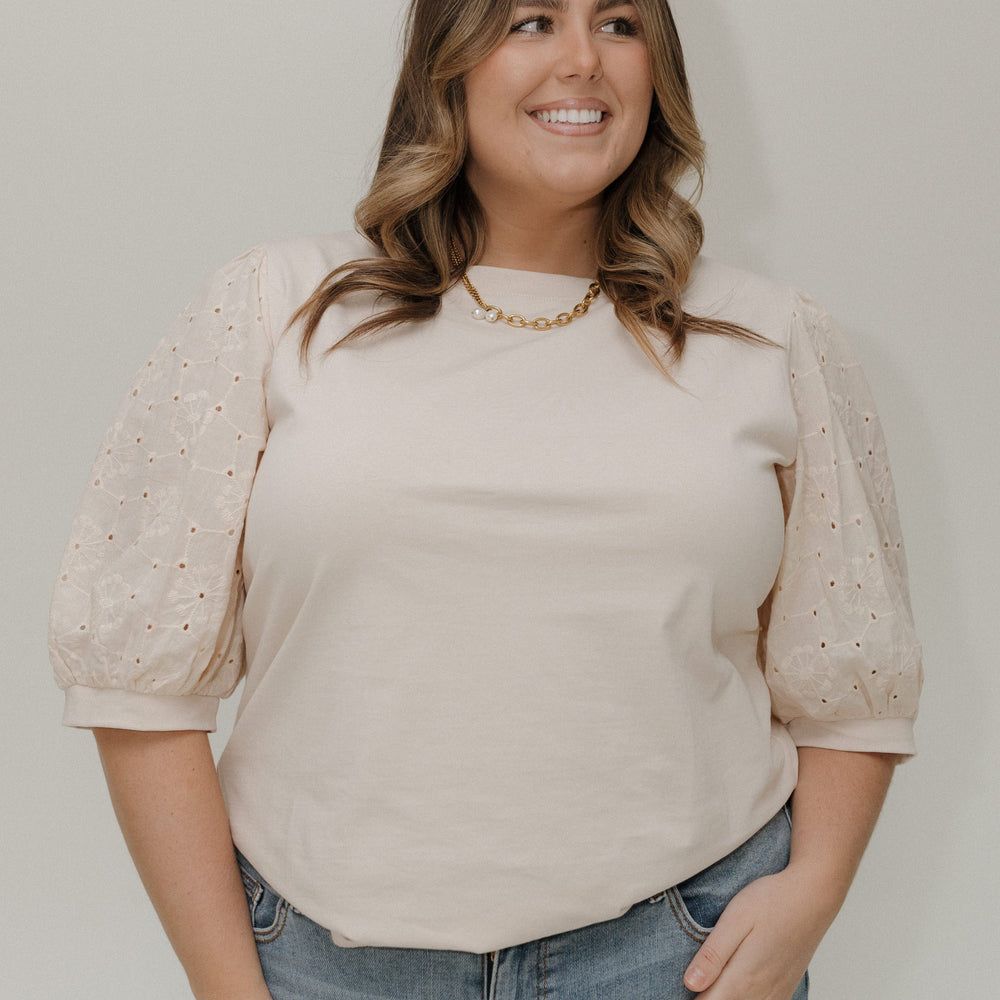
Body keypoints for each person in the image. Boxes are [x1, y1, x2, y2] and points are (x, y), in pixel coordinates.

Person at [48, 1, 922, 998]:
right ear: (445, 64)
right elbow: (140, 684)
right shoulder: (272, 307)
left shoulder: (770, 338)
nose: (583, 62)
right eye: (532, 21)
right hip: (321, 959)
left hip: (678, 954)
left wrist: (811, 892)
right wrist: (229, 986)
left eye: (622, 24)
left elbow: (850, 674)